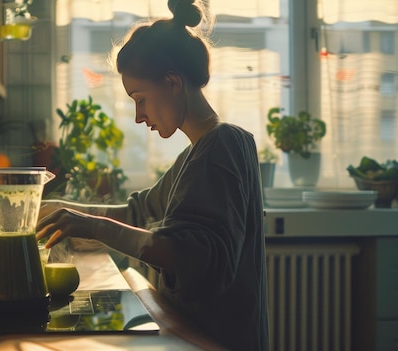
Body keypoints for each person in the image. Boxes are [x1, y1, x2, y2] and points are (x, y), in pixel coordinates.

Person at [36, 0, 269, 349]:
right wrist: (62, 212)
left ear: (173, 82)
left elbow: (193, 256)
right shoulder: (199, 154)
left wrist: (92, 226)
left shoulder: (223, 145)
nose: (138, 116)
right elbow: (140, 215)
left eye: (140, 98)